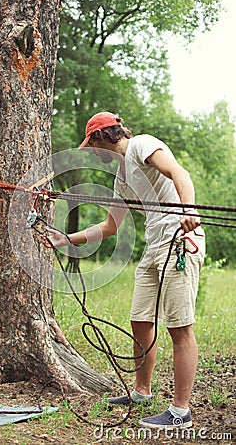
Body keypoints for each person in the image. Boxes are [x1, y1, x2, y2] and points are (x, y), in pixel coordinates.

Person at [49, 112, 205, 429]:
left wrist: (188, 210)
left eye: (92, 144)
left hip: (180, 241)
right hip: (154, 246)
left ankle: (180, 412)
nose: (92, 152)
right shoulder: (122, 176)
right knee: (140, 319)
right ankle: (142, 391)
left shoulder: (142, 145)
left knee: (180, 327)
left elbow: (179, 172)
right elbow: (109, 226)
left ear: (104, 135)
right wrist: (66, 240)